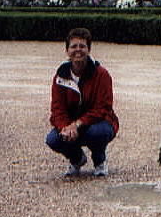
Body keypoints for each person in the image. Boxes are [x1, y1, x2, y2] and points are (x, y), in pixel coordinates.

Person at [46, 27, 119, 176]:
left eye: (82, 46)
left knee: (97, 133)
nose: (78, 50)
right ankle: (77, 159)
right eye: (74, 46)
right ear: (67, 51)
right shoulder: (60, 77)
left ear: (89, 50)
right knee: (53, 139)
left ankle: (99, 161)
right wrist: (65, 128)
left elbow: (102, 108)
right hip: (71, 124)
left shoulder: (102, 74)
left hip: (98, 122)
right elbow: (57, 110)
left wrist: (78, 124)